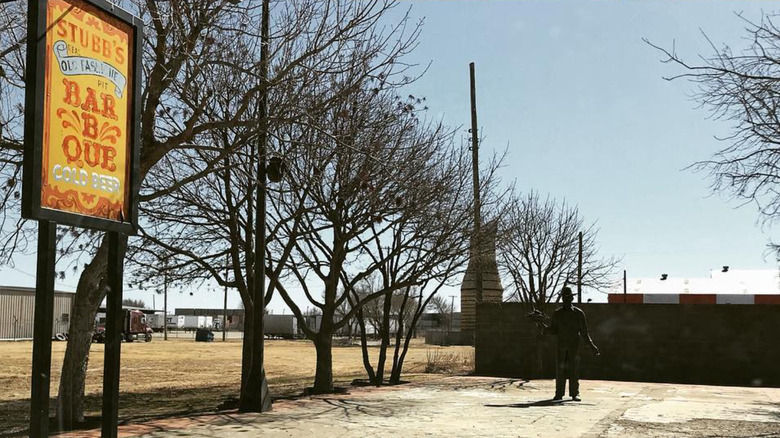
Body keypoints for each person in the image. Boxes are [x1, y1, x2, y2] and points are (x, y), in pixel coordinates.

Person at [547, 286, 599, 402]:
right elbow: (553, 330)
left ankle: (575, 393)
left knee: (574, 370)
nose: (566, 300)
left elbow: (585, 332)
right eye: (564, 298)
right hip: (561, 346)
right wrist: (542, 327)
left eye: (568, 298)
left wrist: (591, 346)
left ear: (571, 298)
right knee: (560, 370)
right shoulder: (557, 314)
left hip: (574, 345)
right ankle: (559, 393)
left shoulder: (578, 313)